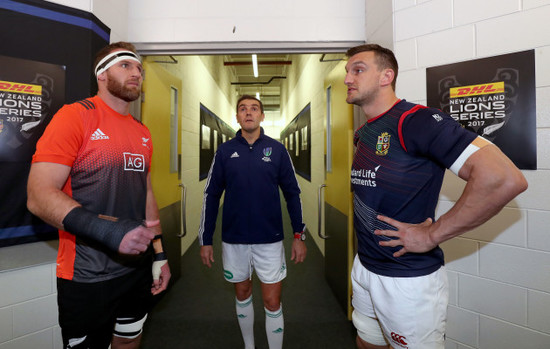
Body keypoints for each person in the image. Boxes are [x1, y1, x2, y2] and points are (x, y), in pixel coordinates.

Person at [344, 43, 527, 349]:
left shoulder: (415, 120)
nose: (348, 78)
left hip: (406, 280)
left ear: (386, 76)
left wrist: (431, 235)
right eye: (347, 72)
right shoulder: (364, 133)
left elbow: (502, 178)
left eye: (358, 70)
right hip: (364, 267)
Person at [27, 42, 171, 349]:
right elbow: (38, 196)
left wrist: (159, 254)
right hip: (87, 274)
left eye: (139, 69)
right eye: (126, 66)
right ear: (102, 75)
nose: (136, 73)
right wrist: (108, 230)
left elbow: (146, 194)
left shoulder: (142, 132)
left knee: (129, 342)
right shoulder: (75, 117)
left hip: (135, 269)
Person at [199, 95, 307, 349]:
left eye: (254, 109)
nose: (249, 113)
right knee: (242, 293)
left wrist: (299, 235)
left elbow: (293, 194)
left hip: (270, 240)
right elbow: (211, 196)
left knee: (272, 301)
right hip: (233, 239)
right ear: (237, 116)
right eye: (243, 109)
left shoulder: (277, 150)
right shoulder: (225, 151)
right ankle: (249, 346)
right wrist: (205, 240)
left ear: (262, 116)